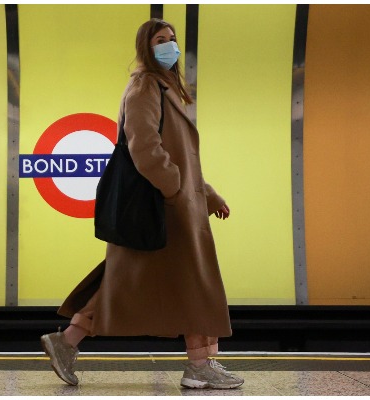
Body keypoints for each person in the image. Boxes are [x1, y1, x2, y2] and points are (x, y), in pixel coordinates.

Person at [40, 19, 244, 390]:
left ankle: (66, 341)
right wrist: (175, 189)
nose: (170, 47)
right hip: (167, 207)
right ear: (145, 48)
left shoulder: (165, 87)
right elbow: (145, 146)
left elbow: (183, 157)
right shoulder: (144, 85)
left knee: (129, 282)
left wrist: (207, 194)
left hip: (175, 205)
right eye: (160, 41)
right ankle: (199, 364)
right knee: (191, 282)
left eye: (172, 40)